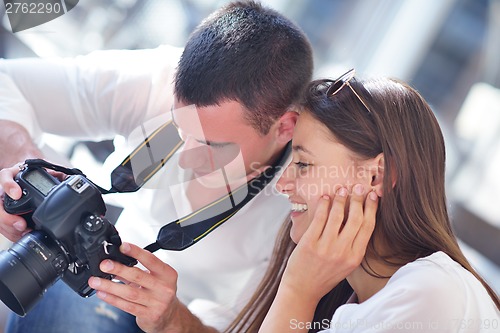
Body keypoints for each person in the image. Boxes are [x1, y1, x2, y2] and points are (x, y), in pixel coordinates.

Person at [0, 1, 314, 332]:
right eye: (180, 128)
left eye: (212, 145)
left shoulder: (301, 204)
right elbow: (7, 81)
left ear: (285, 128)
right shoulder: (159, 79)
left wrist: (173, 319)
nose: (185, 156)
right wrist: (27, 168)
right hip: (104, 270)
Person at [227, 70, 500, 332]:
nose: (282, 184)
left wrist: (297, 291)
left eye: (303, 163)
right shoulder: (365, 298)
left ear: (376, 175)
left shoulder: (430, 293)